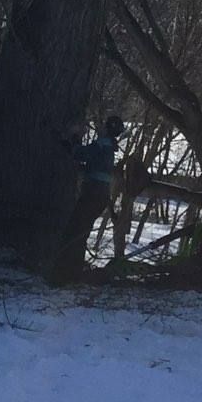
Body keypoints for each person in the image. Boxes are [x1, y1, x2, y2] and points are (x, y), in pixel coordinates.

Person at [53, 113, 125, 281]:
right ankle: (72, 269)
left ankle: (65, 272)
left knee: (74, 231)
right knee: (82, 231)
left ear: (107, 129)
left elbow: (80, 154)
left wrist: (74, 138)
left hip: (92, 192)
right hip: (101, 195)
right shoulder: (110, 147)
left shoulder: (102, 145)